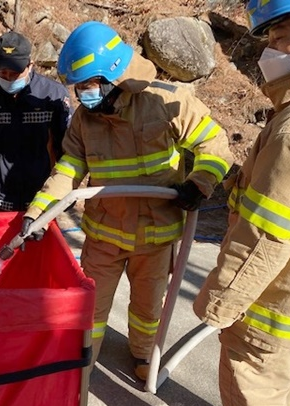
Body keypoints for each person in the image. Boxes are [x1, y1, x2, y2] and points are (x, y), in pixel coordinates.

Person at [20, 21, 233, 380]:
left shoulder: (168, 102)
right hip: (104, 237)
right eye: (78, 88)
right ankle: (81, 365)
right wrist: (38, 213)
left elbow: (214, 145)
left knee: (148, 310)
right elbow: (68, 170)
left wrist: (200, 182)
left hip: (156, 237)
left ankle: (143, 356)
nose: (81, 96)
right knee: (89, 310)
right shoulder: (85, 122)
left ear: (111, 77)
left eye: (87, 86)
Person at [193, 1, 290, 406]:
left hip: (274, 297)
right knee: (284, 374)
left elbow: (266, 234)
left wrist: (219, 302)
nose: (271, 50)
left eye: (283, 37)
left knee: (253, 381)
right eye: (269, 38)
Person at [0, 30, 73, 212]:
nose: (8, 78)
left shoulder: (54, 96)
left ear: (30, 65)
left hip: (42, 198)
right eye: (3, 73)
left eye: (15, 73)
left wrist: (65, 191)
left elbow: (68, 148)